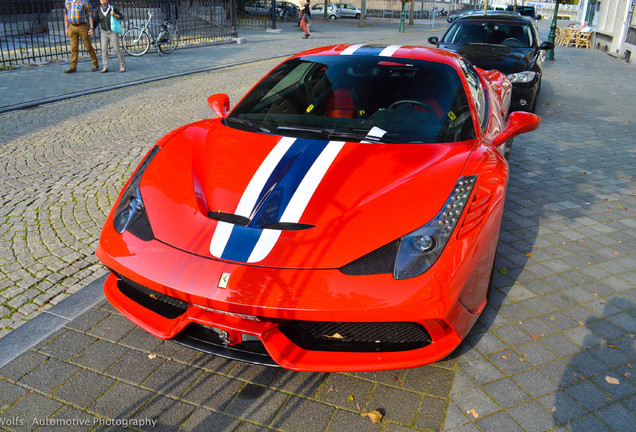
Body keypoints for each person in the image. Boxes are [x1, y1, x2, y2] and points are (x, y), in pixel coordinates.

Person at [63, 0, 99, 73]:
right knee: (74, 48)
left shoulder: (84, 1)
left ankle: (95, 63)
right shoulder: (67, 1)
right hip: (72, 26)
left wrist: (91, 28)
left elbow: (90, 14)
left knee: (88, 46)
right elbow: (66, 15)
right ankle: (73, 67)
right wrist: (66, 28)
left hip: (82, 26)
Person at [93, 0, 126, 73]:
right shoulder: (98, 9)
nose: (103, 1)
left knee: (117, 49)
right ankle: (105, 66)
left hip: (112, 32)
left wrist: (115, 15)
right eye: (101, 0)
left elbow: (121, 17)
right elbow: (96, 21)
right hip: (104, 32)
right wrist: (92, 29)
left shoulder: (112, 8)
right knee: (104, 50)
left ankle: (122, 65)